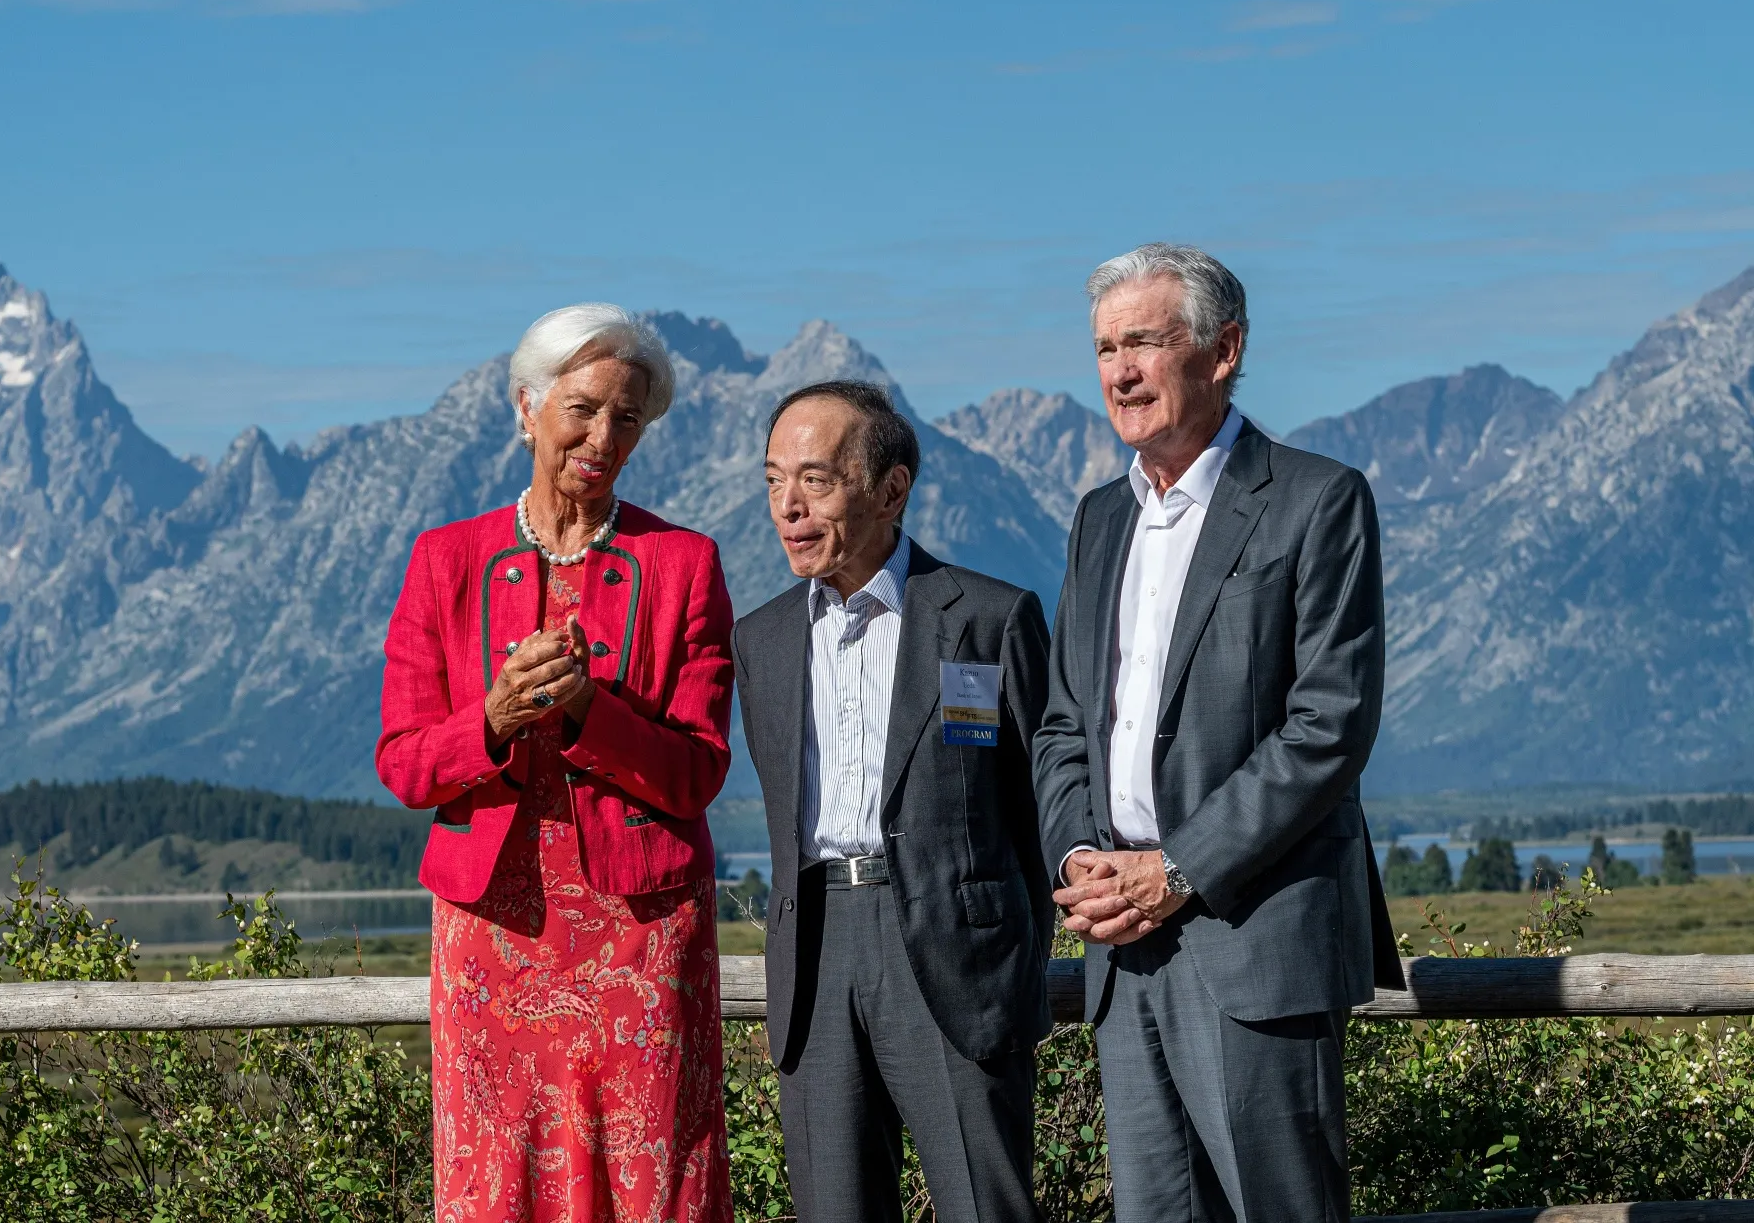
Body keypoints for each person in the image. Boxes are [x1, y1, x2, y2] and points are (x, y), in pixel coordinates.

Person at [1034, 244, 1405, 1223]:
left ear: (1224, 348)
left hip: (1254, 938)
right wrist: (1078, 859)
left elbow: (1328, 726)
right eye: (1104, 348)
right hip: (1121, 946)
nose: (1119, 372)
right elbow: (1063, 722)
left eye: (1143, 343)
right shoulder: (1097, 520)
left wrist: (1178, 867)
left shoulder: (1316, 499)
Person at [377, 303, 734, 1222]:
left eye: (627, 417)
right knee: (498, 1179)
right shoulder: (444, 561)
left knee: (653, 1178)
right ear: (527, 408)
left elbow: (697, 772)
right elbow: (406, 766)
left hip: (642, 937)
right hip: (492, 934)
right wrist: (493, 719)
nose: (604, 438)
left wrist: (588, 713)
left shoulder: (685, 564)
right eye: (583, 409)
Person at [733, 380, 1053, 1223]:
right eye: (774, 481)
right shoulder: (760, 639)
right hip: (815, 951)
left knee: (986, 1207)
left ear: (891, 489)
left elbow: (1043, 806)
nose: (788, 507)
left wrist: (1014, 960)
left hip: (958, 951)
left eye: (814, 479)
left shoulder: (989, 618)